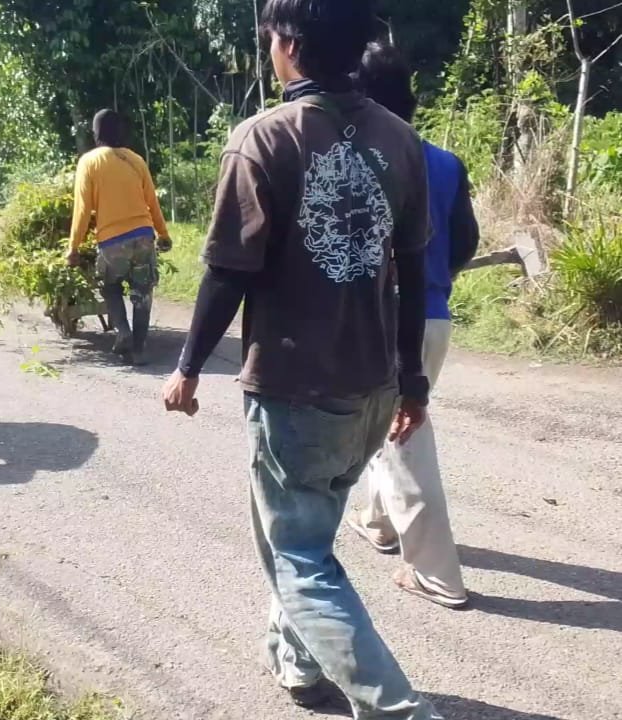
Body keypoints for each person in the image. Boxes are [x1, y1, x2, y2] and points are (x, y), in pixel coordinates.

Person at [162, 1, 442, 717]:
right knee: (308, 532)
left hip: (296, 390)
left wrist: (188, 365)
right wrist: (413, 383)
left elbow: (228, 272)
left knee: (299, 558)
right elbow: (412, 272)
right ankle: (297, 664)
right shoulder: (400, 138)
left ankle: (399, 710)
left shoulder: (263, 138)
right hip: (373, 387)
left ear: (287, 44)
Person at [347, 41, 480, 610]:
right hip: (434, 316)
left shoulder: (362, 160)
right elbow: (467, 240)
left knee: (405, 438)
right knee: (391, 425)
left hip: (386, 318)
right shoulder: (445, 162)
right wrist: (434, 279)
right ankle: (379, 521)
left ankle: (435, 573)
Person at [66, 109, 172, 366]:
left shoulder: (89, 162)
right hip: (144, 237)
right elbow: (152, 202)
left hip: (112, 241)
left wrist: (73, 248)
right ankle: (139, 349)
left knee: (109, 285)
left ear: (96, 133)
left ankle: (123, 331)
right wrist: (163, 234)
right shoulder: (136, 160)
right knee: (142, 293)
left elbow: (82, 210)